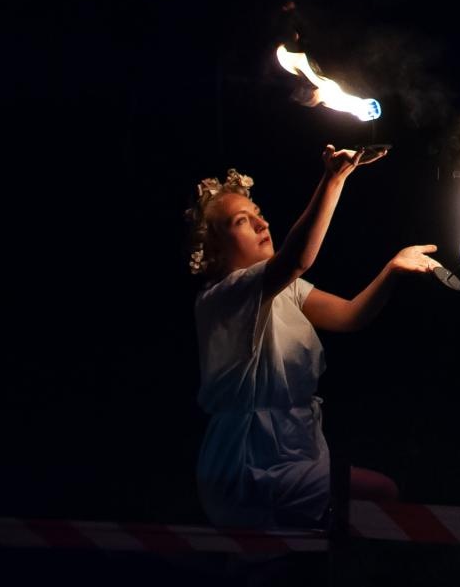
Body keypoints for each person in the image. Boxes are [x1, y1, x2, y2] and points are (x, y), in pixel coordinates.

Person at [186, 145, 443, 528]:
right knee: (379, 493)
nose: (262, 224)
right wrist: (333, 179)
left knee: (303, 548)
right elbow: (297, 258)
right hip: (249, 462)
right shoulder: (223, 298)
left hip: (292, 449)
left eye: (258, 214)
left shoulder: (287, 290)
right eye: (242, 221)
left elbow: (350, 315)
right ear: (215, 249)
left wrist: (392, 268)